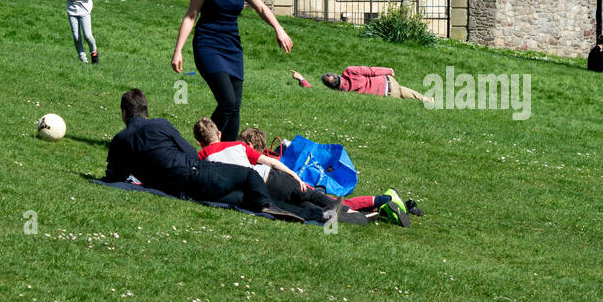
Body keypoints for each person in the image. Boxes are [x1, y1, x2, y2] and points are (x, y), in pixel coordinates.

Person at [105, 90, 310, 219]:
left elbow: (114, 176)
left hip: (179, 190)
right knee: (249, 176)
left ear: (124, 113)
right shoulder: (160, 125)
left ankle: (305, 213)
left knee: (246, 199)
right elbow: (188, 151)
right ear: (145, 111)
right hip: (195, 173)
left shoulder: (119, 141)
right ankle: (277, 206)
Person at [171, 0, 293, 141]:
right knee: (227, 101)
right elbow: (190, 16)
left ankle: (227, 151)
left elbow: (261, 8)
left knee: (235, 107)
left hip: (232, 47)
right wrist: (178, 51)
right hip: (207, 44)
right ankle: (207, 143)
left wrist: (279, 29)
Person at [239, 126, 425, 227]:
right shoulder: (267, 156)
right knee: (337, 205)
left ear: (248, 144)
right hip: (301, 185)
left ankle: (383, 200)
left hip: (299, 186)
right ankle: (380, 207)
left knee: (340, 205)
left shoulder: (256, 159)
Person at [192, 117, 338, 223]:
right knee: (311, 195)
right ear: (219, 134)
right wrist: (293, 174)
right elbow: (271, 162)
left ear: (199, 142)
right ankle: (349, 211)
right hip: (272, 178)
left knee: (301, 205)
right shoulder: (237, 146)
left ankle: (343, 216)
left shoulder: (200, 160)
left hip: (261, 192)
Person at [321, 65, 433, 106]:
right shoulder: (349, 71)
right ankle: (425, 99)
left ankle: (424, 99)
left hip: (385, 94)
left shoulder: (344, 94)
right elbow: (371, 71)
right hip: (386, 82)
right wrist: (389, 70)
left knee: (399, 94)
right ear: (336, 75)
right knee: (400, 90)